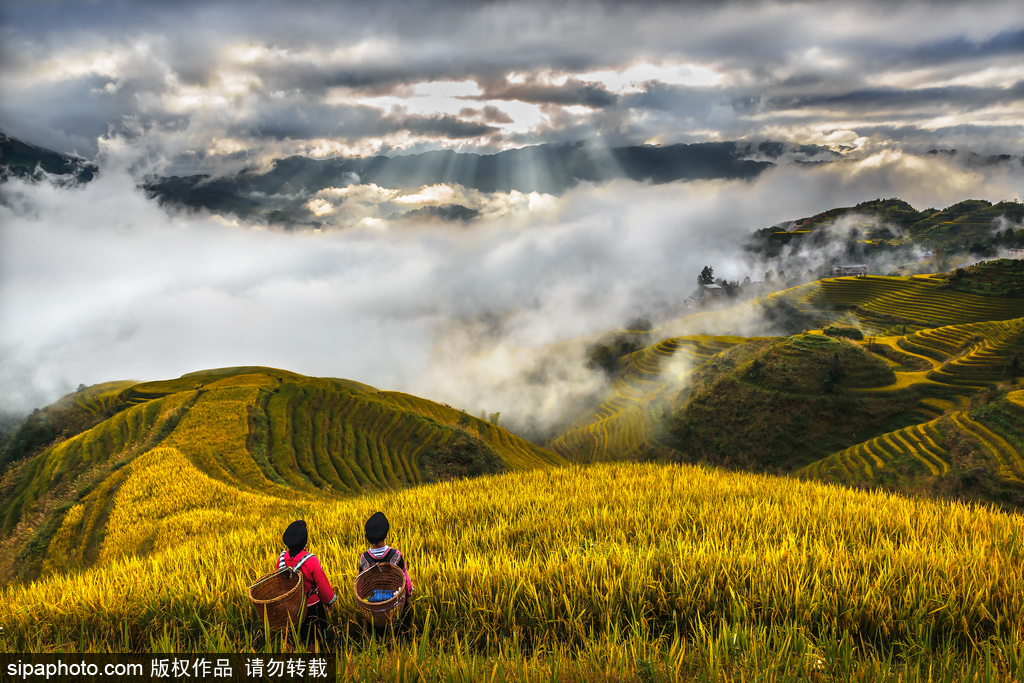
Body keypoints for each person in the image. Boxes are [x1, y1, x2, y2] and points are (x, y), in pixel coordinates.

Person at [276, 519, 336, 647]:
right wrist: (329, 601)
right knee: (312, 638)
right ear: (305, 543)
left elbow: (280, 581)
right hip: (311, 605)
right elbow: (322, 582)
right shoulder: (311, 560)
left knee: (292, 636)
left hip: (291, 606)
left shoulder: (281, 558)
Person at [358, 511, 414, 632]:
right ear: (386, 534)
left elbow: (361, 585)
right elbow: (406, 579)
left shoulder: (364, 558)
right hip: (395, 606)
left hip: (374, 610)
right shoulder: (396, 555)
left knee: (377, 638)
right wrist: (408, 596)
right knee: (401, 630)